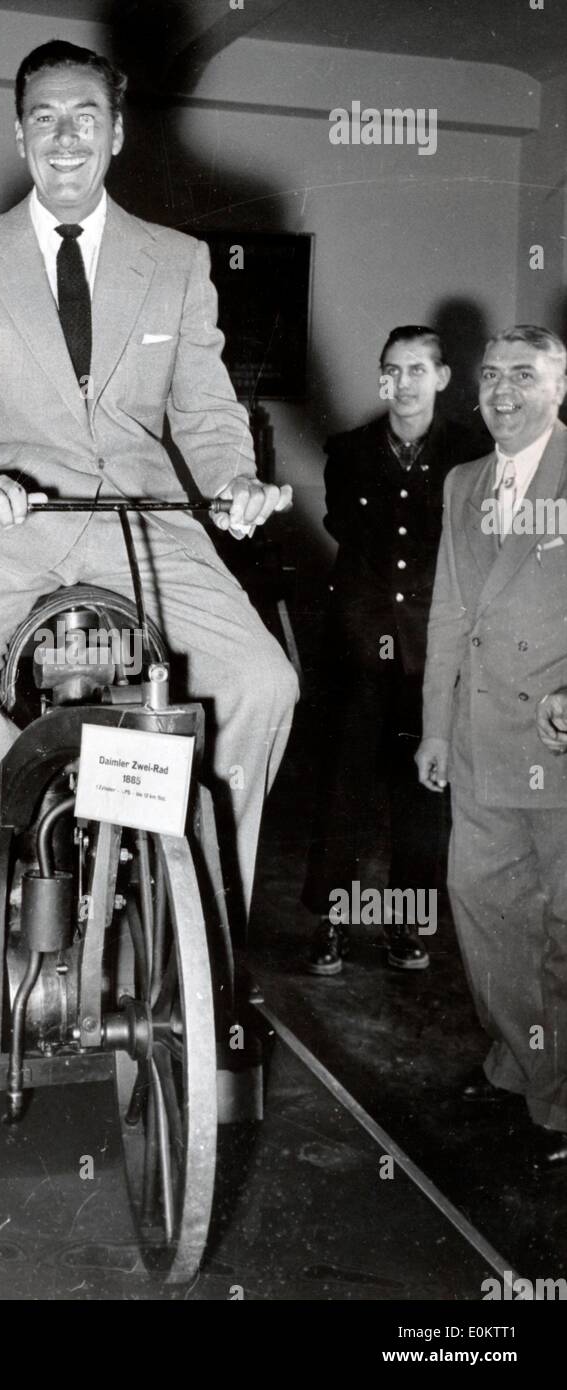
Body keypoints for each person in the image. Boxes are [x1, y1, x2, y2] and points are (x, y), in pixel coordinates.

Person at [0, 40, 298, 1011]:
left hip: (143, 520)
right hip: (9, 519)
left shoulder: (176, 260)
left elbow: (203, 408)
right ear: (19, 131)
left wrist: (235, 481)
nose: (65, 136)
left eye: (84, 116)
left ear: (116, 133)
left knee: (261, 681)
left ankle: (200, 917)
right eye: (44, 116)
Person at [417, 325, 567, 1173]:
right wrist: (434, 727)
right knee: (484, 914)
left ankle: (556, 1096)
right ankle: (522, 1058)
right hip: (476, 742)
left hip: (553, 740)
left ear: (558, 387)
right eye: (488, 377)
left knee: (559, 922)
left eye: (522, 375)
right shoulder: (462, 482)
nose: (500, 391)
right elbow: (447, 613)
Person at [301, 327, 485, 975]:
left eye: (416, 369)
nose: (402, 383)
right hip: (359, 645)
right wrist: (371, 631)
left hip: (439, 651)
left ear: (440, 377)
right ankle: (332, 923)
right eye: (390, 370)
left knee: (421, 793)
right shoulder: (348, 451)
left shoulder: (472, 451)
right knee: (344, 789)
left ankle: (406, 926)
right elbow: (353, 548)